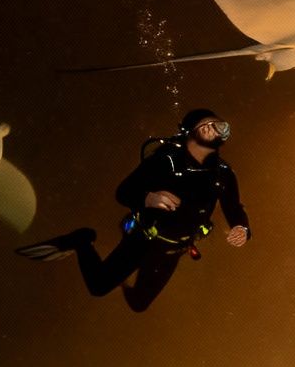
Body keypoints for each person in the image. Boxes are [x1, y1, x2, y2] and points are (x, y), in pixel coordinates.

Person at [17, 108, 250, 312]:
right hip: (144, 241)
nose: (214, 130)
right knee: (98, 287)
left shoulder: (223, 173)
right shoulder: (165, 160)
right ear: (189, 131)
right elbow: (124, 192)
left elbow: (233, 206)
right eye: (207, 125)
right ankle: (82, 241)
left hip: (176, 250)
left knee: (139, 303)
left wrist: (242, 227)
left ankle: (124, 281)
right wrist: (148, 198)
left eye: (220, 125)